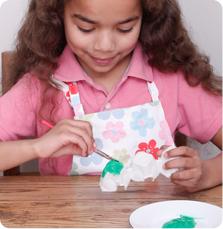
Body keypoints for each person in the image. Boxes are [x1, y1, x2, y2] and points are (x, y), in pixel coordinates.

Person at [0, 0, 221, 192]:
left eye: (125, 29)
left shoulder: (172, 79)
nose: (105, 46)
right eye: (85, 28)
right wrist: (37, 147)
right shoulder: (41, 83)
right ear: (58, 17)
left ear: (147, 19)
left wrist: (207, 173)